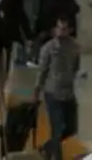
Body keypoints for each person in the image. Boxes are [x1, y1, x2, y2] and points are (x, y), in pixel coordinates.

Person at [34, 18, 80, 160]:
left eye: (65, 28)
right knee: (57, 130)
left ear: (70, 30)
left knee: (72, 127)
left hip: (68, 93)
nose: (61, 32)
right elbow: (42, 71)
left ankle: (48, 147)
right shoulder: (48, 49)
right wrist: (37, 90)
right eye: (59, 28)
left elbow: (75, 67)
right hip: (53, 94)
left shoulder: (75, 47)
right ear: (54, 30)